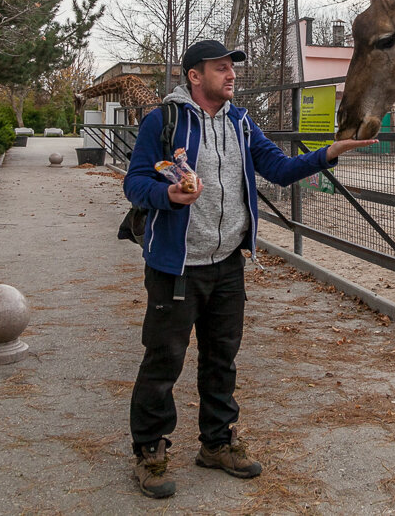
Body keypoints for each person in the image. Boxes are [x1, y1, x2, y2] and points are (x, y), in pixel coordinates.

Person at [123, 39, 376, 499]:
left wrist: (328, 153)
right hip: (176, 265)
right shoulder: (164, 121)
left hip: (227, 264)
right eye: (221, 68)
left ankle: (217, 443)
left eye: (232, 67)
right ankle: (150, 450)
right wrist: (168, 196)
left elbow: (277, 169)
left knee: (222, 359)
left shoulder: (241, 122)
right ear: (194, 76)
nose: (231, 74)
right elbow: (135, 183)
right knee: (164, 361)